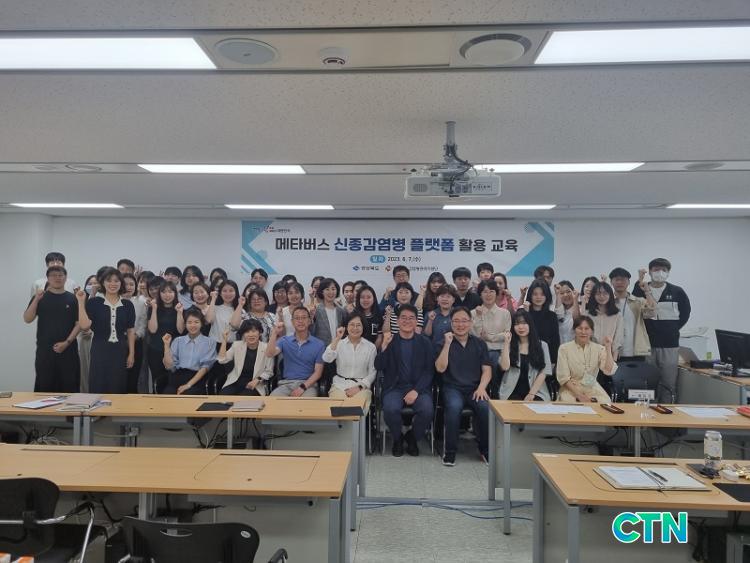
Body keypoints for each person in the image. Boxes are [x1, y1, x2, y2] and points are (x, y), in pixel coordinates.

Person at [434, 307, 492, 466]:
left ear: (471, 322)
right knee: (453, 408)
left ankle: (485, 451)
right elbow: (440, 368)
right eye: (456, 321)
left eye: (464, 321)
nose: (460, 325)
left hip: (475, 388)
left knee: (485, 408)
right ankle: (450, 452)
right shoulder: (442, 343)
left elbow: (487, 370)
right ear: (451, 323)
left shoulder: (479, 344)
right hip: (452, 388)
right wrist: (447, 345)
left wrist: (482, 387)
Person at [375, 305, 434, 457]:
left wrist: (416, 391)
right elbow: (379, 366)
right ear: (397, 320)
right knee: (390, 409)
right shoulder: (390, 340)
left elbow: (429, 371)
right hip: (394, 387)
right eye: (403, 318)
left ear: (416, 321)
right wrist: (384, 346)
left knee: (427, 410)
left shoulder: (425, 342)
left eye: (411, 318)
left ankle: (412, 438)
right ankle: (398, 438)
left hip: (418, 388)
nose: (407, 321)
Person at [632, 258, 691, 402]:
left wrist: (672, 329)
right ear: (650, 271)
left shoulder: (677, 291)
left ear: (668, 272)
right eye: (656, 269)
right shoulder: (641, 288)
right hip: (647, 344)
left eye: (664, 270)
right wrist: (639, 280)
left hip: (669, 344)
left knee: (668, 383)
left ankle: (666, 412)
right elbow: (633, 306)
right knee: (647, 382)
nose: (660, 272)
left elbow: (685, 313)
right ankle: (647, 412)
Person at [77, 267, 136, 394]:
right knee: (98, 383)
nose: (113, 284)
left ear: (121, 283)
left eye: (116, 281)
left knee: (118, 384)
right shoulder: (94, 302)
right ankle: (97, 408)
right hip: (99, 349)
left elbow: (131, 330)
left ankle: (116, 408)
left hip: (120, 350)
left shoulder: (128, 305)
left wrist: (131, 353)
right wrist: (81, 303)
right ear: (102, 283)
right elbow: (84, 326)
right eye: (109, 280)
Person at [23, 265, 81, 392]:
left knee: (70, 386)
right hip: (45, 351)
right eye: (53, 275)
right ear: (48, 278)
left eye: (60, 275)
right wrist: (36, 299)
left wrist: (66, 342)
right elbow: (27, 319)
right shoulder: (40, 298)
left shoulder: (73, 298)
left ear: (66, 278)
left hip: (68, 350)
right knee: (44, 386)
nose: (57, 278)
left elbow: (79, 324)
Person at [266, 307, 325, 397]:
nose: (300, 321)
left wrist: (302, 388)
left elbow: (318, 373)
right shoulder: (284, 340)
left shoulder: (319, 344)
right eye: (297, 318)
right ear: (292, 322)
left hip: (308, 385)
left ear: (309, 321)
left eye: (304, 317)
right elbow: (269, 354)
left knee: (307, 404)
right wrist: (274, 333)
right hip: (286, 384)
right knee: (272, 402)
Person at [556, 316, 617, 403]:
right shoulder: (564, 348)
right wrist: (580, 396)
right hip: (571, 388)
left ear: (592, 331)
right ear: (574, 330)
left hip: (591, 386)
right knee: (569, 402)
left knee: (605, 401)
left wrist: (608, 347)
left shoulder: (599, 349)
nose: (583, 332)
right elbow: (563, 378)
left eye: (586, 328)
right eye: (580, 328)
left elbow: (609, 370)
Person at [323, 312, 377, 408]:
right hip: (339, 386)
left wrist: (360, 387)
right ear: (346, 327)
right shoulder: (339, 343)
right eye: (352, 324)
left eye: (358, 325)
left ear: (363, 327)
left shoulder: (370, 347)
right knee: (338, 408)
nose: (355, 328)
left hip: (361, 387)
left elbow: (372, 372)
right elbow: (327, 358)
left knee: (357, 408)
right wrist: (337, 338)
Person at [498, 309, 552, 401]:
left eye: (524, 323)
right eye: (517, 324)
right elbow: (504, 367)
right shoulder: (509, 346)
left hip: (536, 391)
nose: (520, 327)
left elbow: (544, 372)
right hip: (512, 391)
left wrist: (531, 394)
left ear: (530, 324)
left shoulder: (542, 345)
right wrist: (506, 343)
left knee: (536, 407)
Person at [161, 308, 216, 395]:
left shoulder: (209, 342)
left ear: (201, 324)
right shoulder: (178, 341)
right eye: (189, 322)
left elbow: (205, 368)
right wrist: (166, 345)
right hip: (177, 377)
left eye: (196, 322)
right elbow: (169, 366)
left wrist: (188, 385)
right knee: (168, 395)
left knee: (186, 395)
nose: (192, 325)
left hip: (197, 379)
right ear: (185, 324)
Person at [609, 267, 655, 361]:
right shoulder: (607, 303)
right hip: (612, 352)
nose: (619, 282)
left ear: (629, 282)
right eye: (616, 279)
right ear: (611, 282)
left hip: (636, 351)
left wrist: (647, 291)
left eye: (623, 279)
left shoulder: (638, 301)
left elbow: (651, 313)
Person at [146, 280, 185, 393]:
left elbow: (181, 330)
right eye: (163, 292)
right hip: (156, 349)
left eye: (170, 292)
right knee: (157, 380)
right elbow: (152, 329)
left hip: (174, 351)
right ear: (159, 294)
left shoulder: (180, 308)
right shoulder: (153, 308)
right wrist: (154, 309)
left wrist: (179, 312)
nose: (167, 295)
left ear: (175, 293)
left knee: (173, 381)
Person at [219, 319, 275, 395]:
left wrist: (257, 380)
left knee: (244, 399)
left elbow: (269, 371)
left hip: (255, 384)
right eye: (247, 332)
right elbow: (222, 360)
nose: (250, 335)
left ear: (260, 333)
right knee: (223, 396)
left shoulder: (267, 348)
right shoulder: (237, 345)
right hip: (235, 381)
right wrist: (224, 340)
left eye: (254, 331)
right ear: (243, 334)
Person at [471, 280, 512, 367]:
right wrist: (478, 317)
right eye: (485, 292)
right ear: (480, 294)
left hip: (500, 353)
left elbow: (507, 335)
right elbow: (477, 336)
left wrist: (489, 337)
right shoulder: (473, 314)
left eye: (491, 291)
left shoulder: (505, 313)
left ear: (496, 293)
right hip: (479, 353)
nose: (488, 295)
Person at [523, 279, 560, 365]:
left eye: (542, 294)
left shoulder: (552, 316)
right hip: (526, 357)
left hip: (546, 359)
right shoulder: (523, 313)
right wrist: (526, 314)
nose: (538, 297)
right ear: (530, 295)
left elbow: (555, 341)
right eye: (535, 294)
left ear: (547, 296)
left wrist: (554, 362)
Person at [586, 281, 624, 360]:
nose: (602, 296)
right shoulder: (588, 314)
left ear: (610, 295)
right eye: (598, 293)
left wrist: (613, 360)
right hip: (591, 356)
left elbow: (618, 339)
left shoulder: (617, 315)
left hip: (610, 355)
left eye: (605, 293)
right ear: (593, 296)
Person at [123, 272, 147, 393]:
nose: (128, 287)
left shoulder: (141, 301)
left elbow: (143, 323)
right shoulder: (114, 301)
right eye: (125, 284)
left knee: (133, 378)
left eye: (132, 284)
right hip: (117, 343)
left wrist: (136, 336)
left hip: (136, 342)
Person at [311, 278, 346, 346]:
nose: (331, 292)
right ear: (322, 291)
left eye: (333, 289)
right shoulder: (316, 310)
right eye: (327, 289)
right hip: (321, 348)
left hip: (338, 347)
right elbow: (312, 331)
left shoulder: (341, 311)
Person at [423, 285, 457, 350]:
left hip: (453, 350)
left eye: (448, 296)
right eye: (442, 296)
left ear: (453, 300)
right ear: (437, 298)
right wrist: (430, 320)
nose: (445, 299)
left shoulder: (458, 314)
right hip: (434, 350)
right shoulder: (430, 314)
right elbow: (427, 335)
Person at [554, 280, 580, 344]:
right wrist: (557, 294)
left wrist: (575, 299)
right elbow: (558, 316)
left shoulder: (580, 309)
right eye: (562, 293)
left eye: (568, 292)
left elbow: (577, 321)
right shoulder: (556, 311)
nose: (565, 295)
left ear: (573, 292)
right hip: (560, 348)